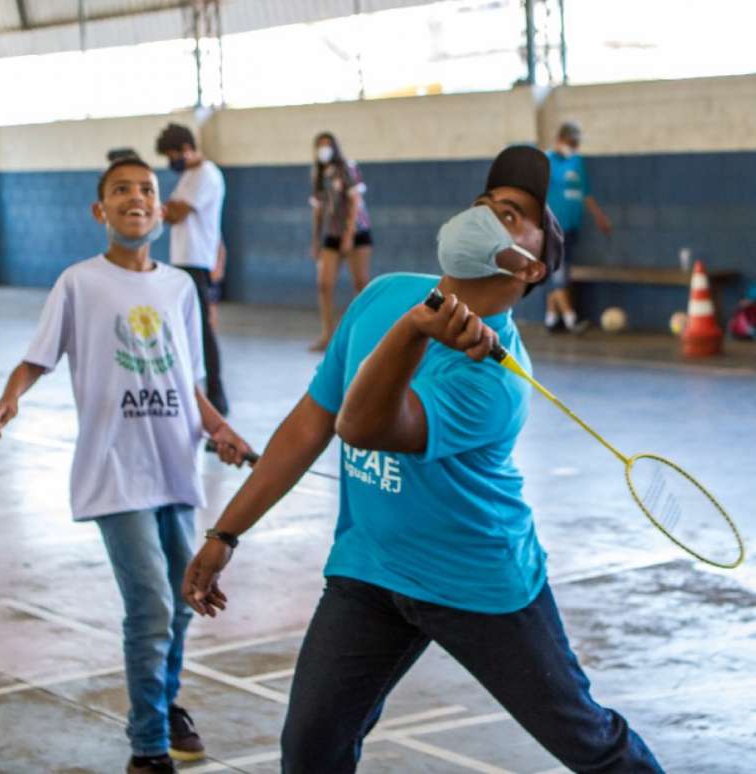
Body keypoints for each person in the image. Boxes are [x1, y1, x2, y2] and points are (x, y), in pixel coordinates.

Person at [181, 146, 664, 773]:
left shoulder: (496, 380)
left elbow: (363, 425)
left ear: (534, 266)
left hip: (477, 581)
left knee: (587, 741)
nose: (489, 212)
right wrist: (226, 532)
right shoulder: (383, 295)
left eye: (513, 212)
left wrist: (413, 331)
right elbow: (310, 424)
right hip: (371, 570)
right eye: (485, 203)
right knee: (310, 750)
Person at [0, 156, 253, 774]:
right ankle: (148, 745)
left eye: (147, 191)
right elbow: (39, 358)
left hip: (175, 469)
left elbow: (189, 382)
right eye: (121, 190)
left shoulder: (180, 287)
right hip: (115, 472)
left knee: (186, 598)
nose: (136, 197)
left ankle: (165, 703)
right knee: (152, 605)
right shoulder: (80, 282)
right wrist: (8, 398)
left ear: (163, 211)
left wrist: (219, 429)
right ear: (99, 211)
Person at [156, 123, 229, 416]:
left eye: (173, 154)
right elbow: (170, 210)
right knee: (187, 329)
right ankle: (196, 391)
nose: (170, 161)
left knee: (204, 332)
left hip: (197, 261)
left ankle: (216, 396)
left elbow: (174, 213)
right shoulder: (189, 175)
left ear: (187, 149)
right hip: (184, 259)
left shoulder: (206, 175)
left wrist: (168, 209)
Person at [545, 121, 612, 333]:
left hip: (572, 227)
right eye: (570, 141)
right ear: (560, 140)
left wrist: (599, 217)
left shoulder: (577, 162)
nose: (573, 146)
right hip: (552, 227)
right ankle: (570, 317)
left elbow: (586, 193)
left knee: (560, 272)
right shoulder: (547, 161)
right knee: (559, 273)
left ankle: (552, 317)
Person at [309, 131, 372, 351]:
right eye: (320, 145)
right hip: (332, 233)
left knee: (360, 283)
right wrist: (315, 240)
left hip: (357, 232)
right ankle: (328, 334)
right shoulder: (318, 174)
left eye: (327, 145)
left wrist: (349, 235)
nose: (324, 149)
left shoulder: (347, 167)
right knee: (324, 284)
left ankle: (363, 333)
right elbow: (318, 211)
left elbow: (355, 202)